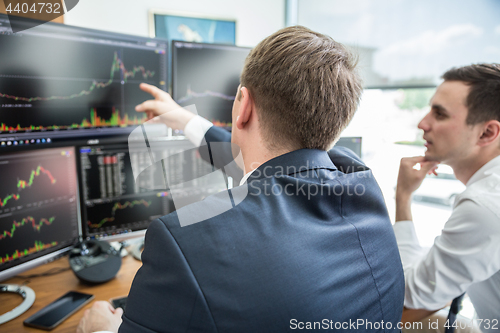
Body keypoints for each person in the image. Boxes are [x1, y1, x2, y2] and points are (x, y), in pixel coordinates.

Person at [77, 26, 404, 333]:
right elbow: (268, 168)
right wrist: (184, 119)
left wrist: (100, 329)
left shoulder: (182, 244)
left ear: (243, 105)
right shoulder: (358, 181)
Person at [394, 64, 500, 332]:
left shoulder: (484, 205)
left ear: (487, 133)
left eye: (439, 114)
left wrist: (403, 197)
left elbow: (413, 293)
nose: (422, 123)